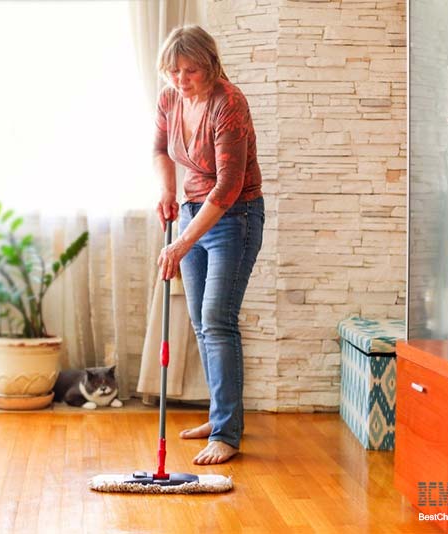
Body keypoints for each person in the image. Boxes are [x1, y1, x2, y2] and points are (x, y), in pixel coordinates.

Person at [153, 25, 264, 465]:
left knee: (217, 320)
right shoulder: (170, 98)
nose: (181, 79)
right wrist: (167, 192)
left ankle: (227, 432)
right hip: (191, 210)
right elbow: (159, 149)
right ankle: (220, 416)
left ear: (211, 64)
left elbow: (228, 187)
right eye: (173, 71)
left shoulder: (229, 104)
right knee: (202, 323)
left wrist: (181, 243)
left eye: (190, 70)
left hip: (233, 217)